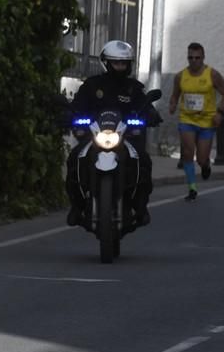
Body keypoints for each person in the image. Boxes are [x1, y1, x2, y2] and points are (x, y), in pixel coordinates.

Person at [65, 40, 157, 228]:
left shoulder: (134, 88)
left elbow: (145, 108)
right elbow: (78, 106)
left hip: (126, 138)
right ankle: (76, 206)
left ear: (129, 64)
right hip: (95, 136)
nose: (120, 67)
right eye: (116, 63)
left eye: (123, 63)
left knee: (144, 161)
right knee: (74, 158)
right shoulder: (92, 85)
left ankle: (140, 207)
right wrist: (71, 115)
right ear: (106, 63)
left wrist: (150, 115)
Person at [168, 42, 224, 201]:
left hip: (207, 121)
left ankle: (205, 166)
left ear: (203, 57)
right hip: (187, 119)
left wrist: (220, 112)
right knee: (188, 153)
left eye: (197, 58)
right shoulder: (181, 76)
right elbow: (175, 94)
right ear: (187, 58)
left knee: (202, 158)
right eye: (190, 57)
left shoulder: (212, 74)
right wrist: (173, 104)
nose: (194, 61)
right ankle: (192, 188)